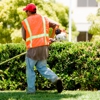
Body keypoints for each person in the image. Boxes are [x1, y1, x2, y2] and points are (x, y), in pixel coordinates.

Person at [21, 3, 63, 94]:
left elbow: (24, 37)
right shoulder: (44, 19)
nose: (25, 13)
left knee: (30, 69)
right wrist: (50, 38)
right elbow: (56, 25)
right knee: (42, 68)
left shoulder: (26, 22)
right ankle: (55, 79)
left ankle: (31, 91)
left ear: (28, 12)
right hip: (44, 48)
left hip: (32, 49)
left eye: (26, 11)